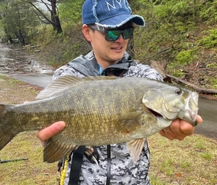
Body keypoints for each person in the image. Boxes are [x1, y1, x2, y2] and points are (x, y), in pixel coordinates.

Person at [37, 0, 203, 184]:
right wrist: (52, 140)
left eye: (127, 31)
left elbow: (162, 112)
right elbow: (49, 125)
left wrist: (172, 123)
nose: (121, 39)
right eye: (112, 31)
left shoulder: (145, 77)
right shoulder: (68, 75)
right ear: (87, 32)